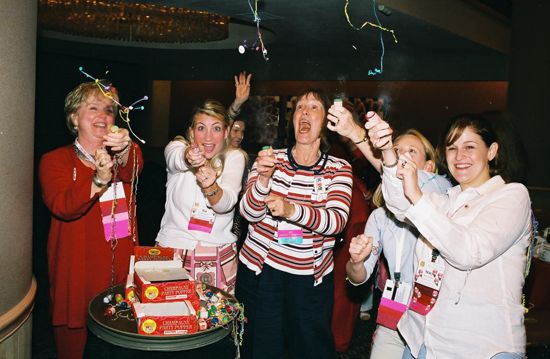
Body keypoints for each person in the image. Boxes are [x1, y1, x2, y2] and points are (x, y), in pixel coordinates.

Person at [366, 112, 532, 358]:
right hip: (425, 341)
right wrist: (388, 152)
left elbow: (468, 252)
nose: (460, 156)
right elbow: (398, 203)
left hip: (483, 348)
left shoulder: (511, 196)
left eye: (470, 147)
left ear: (492, 151)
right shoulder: (446, 200)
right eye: (452, 148)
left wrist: (417, 197)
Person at [235, 89, 353, 359]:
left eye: (314, 107)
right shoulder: (269, 158)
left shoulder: (339, 168)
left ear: (325, 122)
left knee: (309, 350)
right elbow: (249, 212)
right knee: (260, 349)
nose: (305, 113)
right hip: (261, 273)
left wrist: (291, 210)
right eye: (300, 107)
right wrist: (263, 180)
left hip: (308, 281)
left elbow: (335, 221)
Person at [327, 106, 451, 358]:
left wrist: (357, 133)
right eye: (397, 151)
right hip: (393, 315)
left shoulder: (442, 192)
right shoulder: (380, 217)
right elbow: (358, 278)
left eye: (411, 152)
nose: (402, 157)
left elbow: (405, 182)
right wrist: (356, 262)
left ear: (428, 165)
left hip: (435, 318)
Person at [39, 81, 143, 359]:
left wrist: (122, 149)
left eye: (109, 110)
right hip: (78, 274)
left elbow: (135, 166)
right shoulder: (56, 160)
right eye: (93, 108)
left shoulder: (121, 158)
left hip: (119, 274)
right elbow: (63, 206)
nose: (103, 116)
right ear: (74, 117)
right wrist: (98, 179)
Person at [154, 99, 246, 294]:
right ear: (191, 131)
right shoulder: (177, 148)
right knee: (168, 319)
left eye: (217, 129)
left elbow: (225, 203)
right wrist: (189, 155)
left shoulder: (234, 157)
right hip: (172, 251)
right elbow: (174, 157)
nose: (208, 137)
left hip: (216, 252)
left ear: (226, 132)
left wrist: (211, 186)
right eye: (201, 128)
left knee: (213, 321)